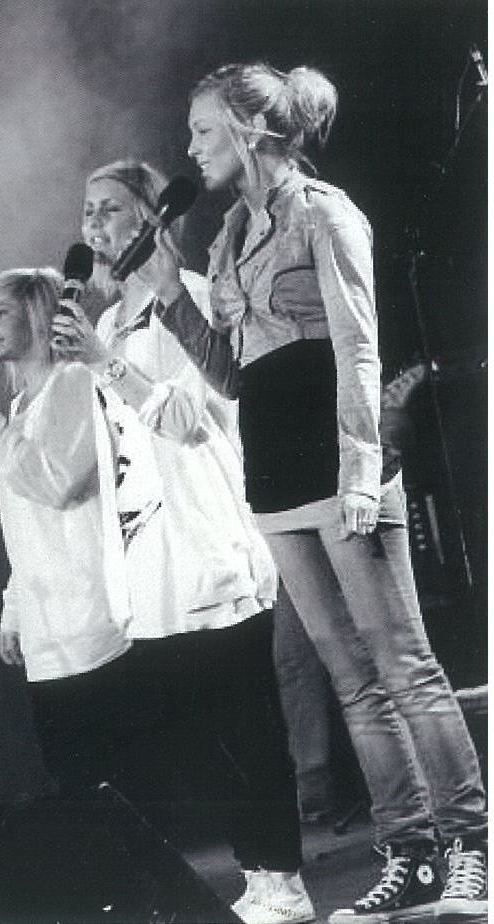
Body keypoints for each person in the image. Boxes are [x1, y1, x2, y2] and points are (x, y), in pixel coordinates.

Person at [135, 62, 486, 922]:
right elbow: (230, 376)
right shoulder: (225, 237)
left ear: (249, 128)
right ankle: (411, 857)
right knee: (351, 681)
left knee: (404, 667)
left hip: (339, 466)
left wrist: (361, 469)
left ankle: (472, 849)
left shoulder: (325, 215)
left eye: (202, 130)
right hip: (274, 477)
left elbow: (358, 349)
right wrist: (169, 295)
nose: (190, 148)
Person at [49, 159, 315, 924]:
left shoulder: (189, 298)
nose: (93, 226)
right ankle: (256, 872)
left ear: (151, 220)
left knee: (244, 722)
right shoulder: (106, 326)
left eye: (110, 209)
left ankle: (284, 877)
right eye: (86, 211)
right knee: (198, 731)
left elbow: (188, 422)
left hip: (206, 545)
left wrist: (105, 366)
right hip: (151, 560)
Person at [0, 267, 136, 800]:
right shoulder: (16, 409)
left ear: (37, 314)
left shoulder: (74, 383)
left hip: (91, 615)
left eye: (1, 313)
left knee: (114, 772)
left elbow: (58, 484)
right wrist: (14, 611)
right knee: (71, 777)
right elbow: (20, 524)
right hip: (45, 630)